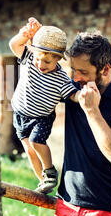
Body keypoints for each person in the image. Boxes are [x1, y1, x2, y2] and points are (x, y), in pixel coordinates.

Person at [54, 31, 111, 216]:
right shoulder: (73, 89)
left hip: (108, 208)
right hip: (66, 202)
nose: (76, 78)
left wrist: (92, 110)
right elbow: (38, 76)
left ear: (105, 69)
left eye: (84, 72)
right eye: (73, 70)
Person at [9, 17, 80, 194]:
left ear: (58, 60)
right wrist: (24, 35)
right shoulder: (29, 58)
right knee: (29, 150)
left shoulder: (61, 78)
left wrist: (84, 95)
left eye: (47, 62)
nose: (40, 65)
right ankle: (43, 182)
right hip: (19, 113)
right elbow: (14, 46)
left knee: (36, 142)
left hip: (41, 118)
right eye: (39, 59)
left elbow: (73, 95)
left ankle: (49, 172)